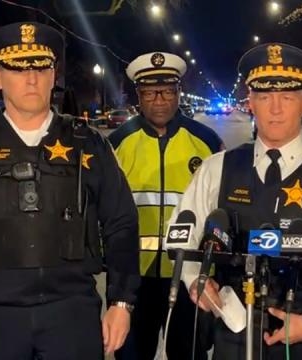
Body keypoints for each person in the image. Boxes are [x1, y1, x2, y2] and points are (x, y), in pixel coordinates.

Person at [0, 22, 140, 360]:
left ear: (53, 75)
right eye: (18, 68)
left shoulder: (87, 143)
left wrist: (121, 302)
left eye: (40, 67)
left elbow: (121, 223)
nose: (31, 78)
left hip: (72, 316)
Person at [170, 43, 302, 359]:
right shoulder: (217, 169)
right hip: (235, 329)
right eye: (265, 97)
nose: (276, 108)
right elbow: (183, 235)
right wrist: (197, 281)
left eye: (287, 97)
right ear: (251, 102)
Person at [109, 51, 224, 360]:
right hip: (134, 280)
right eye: (149, 92)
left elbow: (221, 212)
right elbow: (102, 212)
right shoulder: (117, 143)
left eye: (167, 91)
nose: (159, 100)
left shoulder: (207, 142)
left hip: (190, 277)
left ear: (178, 93)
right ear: (138, 96)